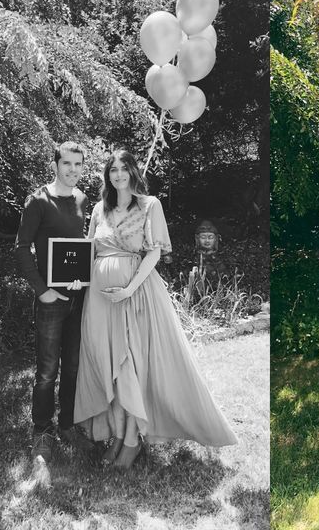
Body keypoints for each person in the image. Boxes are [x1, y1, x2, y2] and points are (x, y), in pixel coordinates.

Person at [73, 149, 237, 469]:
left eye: (124, 168)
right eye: (113, 169)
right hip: (99, 301)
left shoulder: (150, 206)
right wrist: (74, 278)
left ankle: (133, 442)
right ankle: (118, 435)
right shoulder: (98, 210)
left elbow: (153, 254)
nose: (118, 174)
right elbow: (87, 252)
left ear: (133, 171)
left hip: (136, 295)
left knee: (131, 365)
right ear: (107, 175)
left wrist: (128, 290)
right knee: (110, 368)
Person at [15, 141, 89, 462]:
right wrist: (41, 289)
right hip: (49, 301)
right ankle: (42, 431)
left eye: (78, 165)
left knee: (72, 367)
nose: (73, 170)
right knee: (47, 370)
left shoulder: (82, 200)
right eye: (67, 164)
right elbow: (21, 248)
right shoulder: (38, 201)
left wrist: (81, 277)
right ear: (55, 164)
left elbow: (78, 248)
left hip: (77, 298)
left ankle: (67, 425)